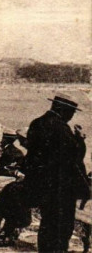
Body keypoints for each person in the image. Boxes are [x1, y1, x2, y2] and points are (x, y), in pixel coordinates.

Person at [22, 95, 89, 252]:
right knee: (61, 228)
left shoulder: (37, 123)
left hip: (40, 185)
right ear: (62, 110)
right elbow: (74, 157)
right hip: (60, 188)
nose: (72, 116)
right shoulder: (61, 128)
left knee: (47, 224)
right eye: (71, 112)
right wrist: (79, 140)